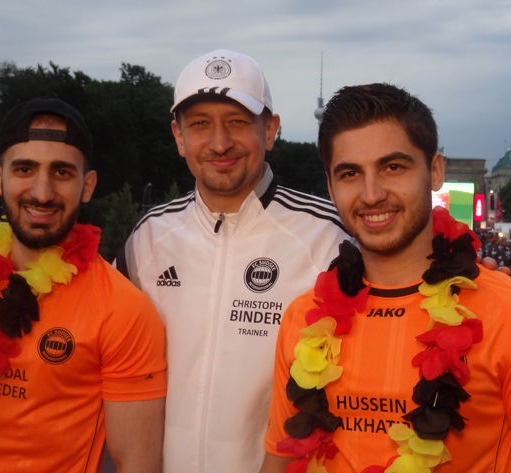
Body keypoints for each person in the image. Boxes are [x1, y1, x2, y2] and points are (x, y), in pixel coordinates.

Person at [260, 84, 511, 472]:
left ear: (435, 171)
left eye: (393, 167)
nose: (371, 194)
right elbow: (281, 459)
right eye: (350, 173)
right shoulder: (302, 318)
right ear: (330, 186)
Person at [114, 49, 349, 473]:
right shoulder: (146, 240)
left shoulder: (330, 237)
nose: (220, 143)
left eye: (238, 122)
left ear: (270, 130)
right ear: (178, 136)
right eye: (200, 124)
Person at [0, 98, 167, 472]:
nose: (42, 193)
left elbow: (137, 463)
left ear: (87, 185)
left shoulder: (124, 310)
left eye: (62, 172)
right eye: (25, 169)